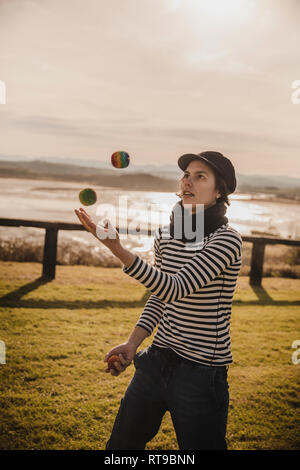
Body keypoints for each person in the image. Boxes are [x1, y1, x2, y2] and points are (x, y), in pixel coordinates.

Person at [74, 151, 243, 450]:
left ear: (220, 191)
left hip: (201, 372)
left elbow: (175, 288)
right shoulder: (166, 235)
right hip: (155, 362)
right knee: (121, 447)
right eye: (186, 175)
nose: (188, 181)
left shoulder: (226, 240)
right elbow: (160, 297)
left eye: (200, 176)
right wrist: (132, 343)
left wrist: (117, 249)